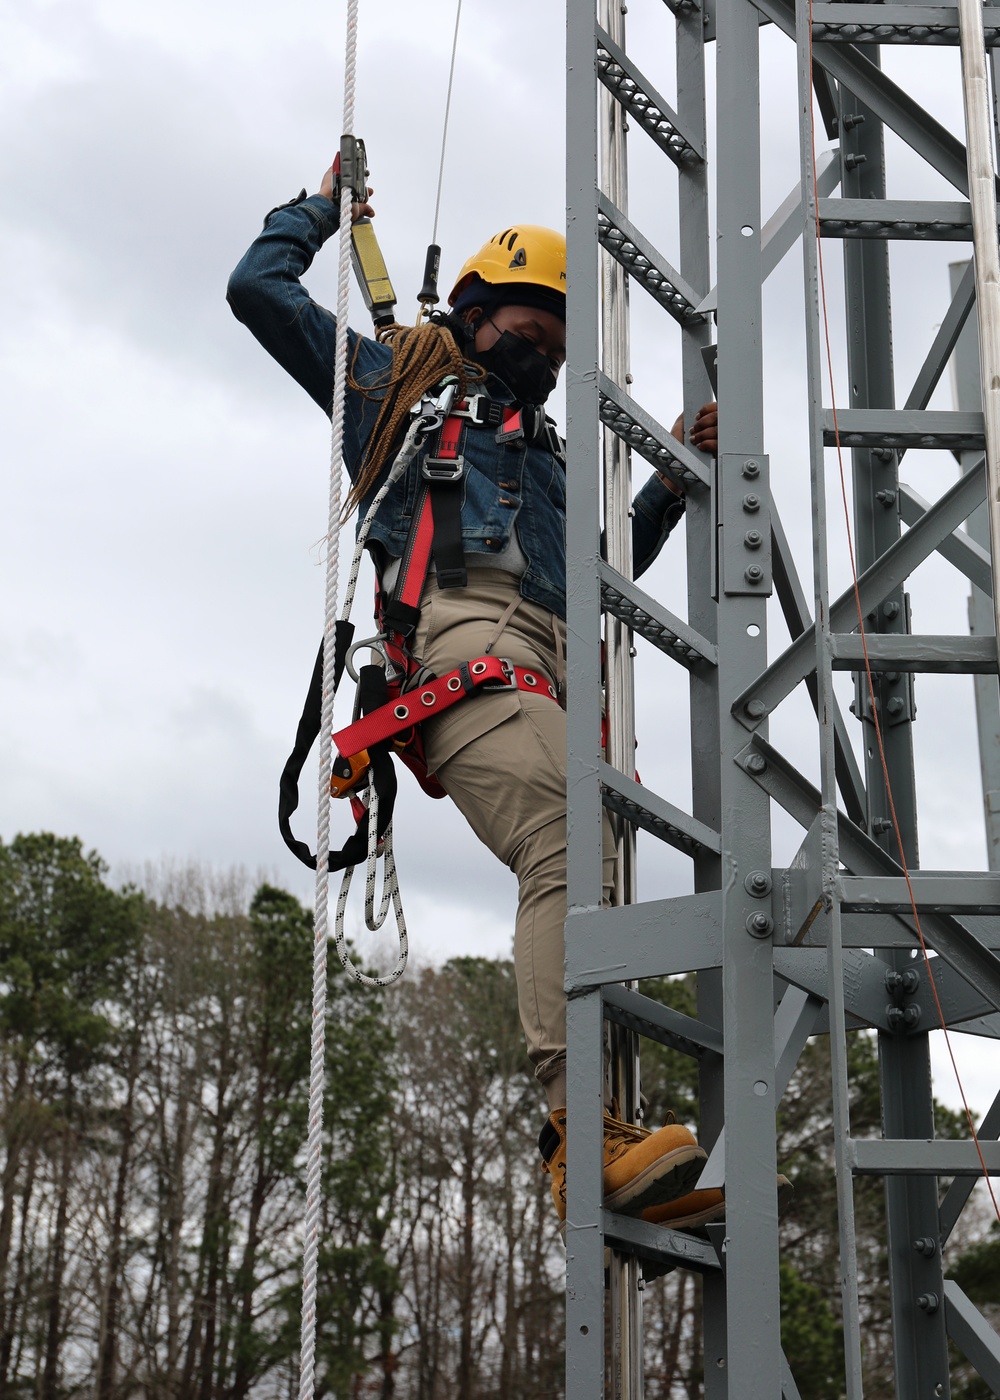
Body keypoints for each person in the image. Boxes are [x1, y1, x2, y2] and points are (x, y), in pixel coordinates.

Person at [227, 169, 723, 1229]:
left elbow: (597, 576)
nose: (539, 353)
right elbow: (257, 290)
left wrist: (670, 483)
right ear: (473, 310)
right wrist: (319, 213)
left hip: (548, 654)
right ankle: (576, 1130)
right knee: (562, 833)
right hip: (464, 636)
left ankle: (612, 1129)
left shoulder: (541, 460)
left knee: (601, 864)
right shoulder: (397, 387)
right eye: (524, 327)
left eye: (555, 342)